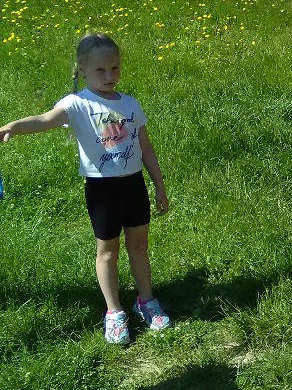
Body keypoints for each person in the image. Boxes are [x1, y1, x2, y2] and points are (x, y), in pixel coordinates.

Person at [0, 33, 170, 344]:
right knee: (108, 251)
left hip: (134, 186)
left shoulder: (130, 104)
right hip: (102, 191)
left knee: (139, 247)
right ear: (82, 68)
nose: (109, 76)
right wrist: (13, 126)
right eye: (100, 70)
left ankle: (146, 300)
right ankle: (114, 311)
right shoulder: (77, 103)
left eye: (115, 68)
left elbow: (146, 148)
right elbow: (44, 120)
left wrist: (159, 186)